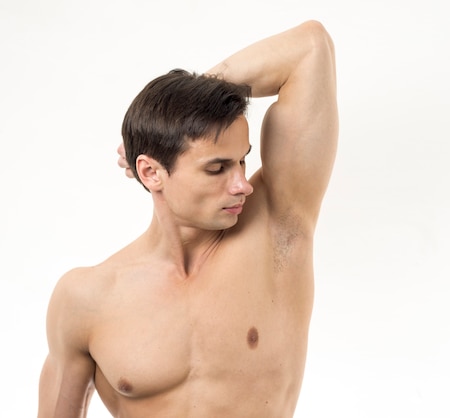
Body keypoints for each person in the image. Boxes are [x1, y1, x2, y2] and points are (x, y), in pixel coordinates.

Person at [38, 19, 338, 418]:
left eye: (243, 160)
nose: (242, 184)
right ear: (150, 172)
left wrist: (183, 107)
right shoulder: (85, 299)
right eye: (217, 169)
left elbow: (309, 47)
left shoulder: (279, 227)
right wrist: (158, 129)